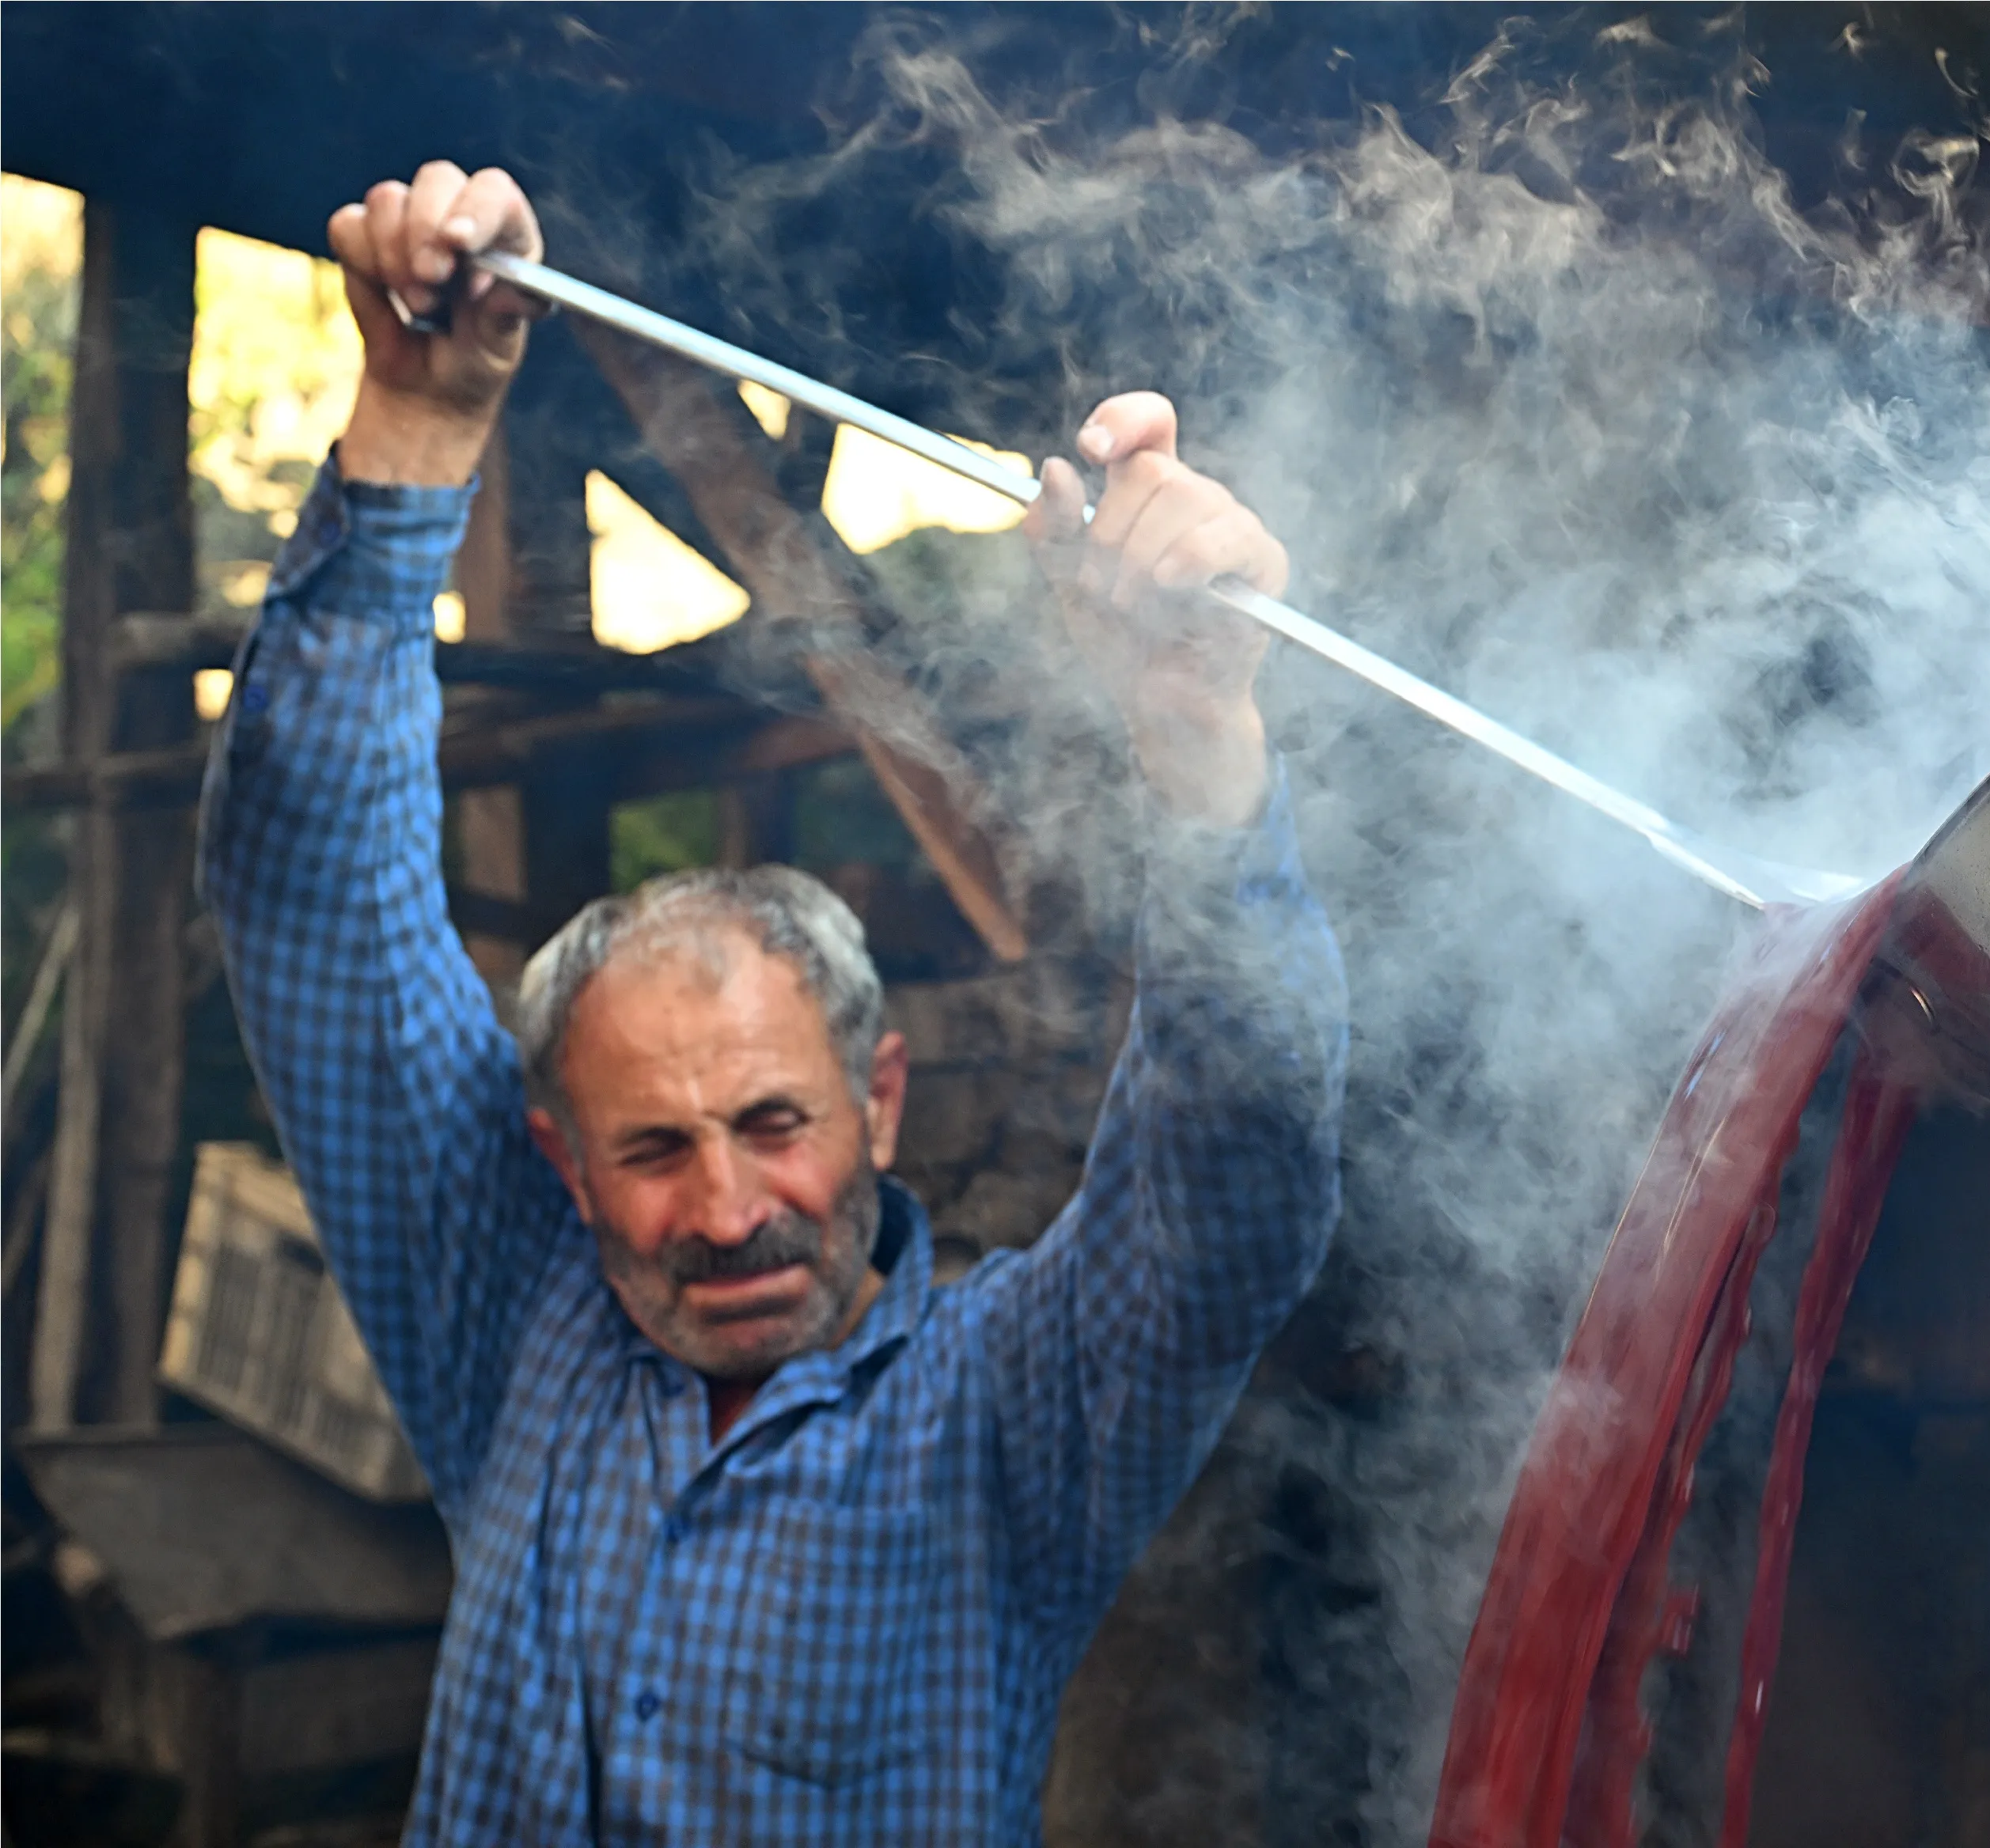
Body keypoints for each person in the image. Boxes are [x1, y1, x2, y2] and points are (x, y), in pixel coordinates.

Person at [199, 161, 1348, 1844]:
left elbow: (1238, 1169)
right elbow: (306, 890)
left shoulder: (1010, 1413)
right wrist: (416, 423)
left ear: (878, 1102)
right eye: (651, 1148)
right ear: (559, 1162)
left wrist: (1193, 742)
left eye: (774, 1123)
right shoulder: (508, 1323)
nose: (727, 1210)